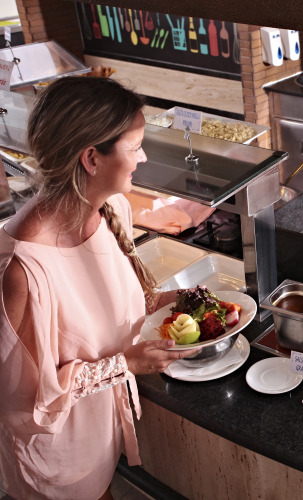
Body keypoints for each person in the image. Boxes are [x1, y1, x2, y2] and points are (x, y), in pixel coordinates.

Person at [0, 77, 199, 500]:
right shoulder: (25, 270)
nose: (143, 157)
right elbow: (25, 403)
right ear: (92, 158)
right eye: (135, 147)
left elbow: (108, 308)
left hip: (100, 427)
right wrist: (126, 363)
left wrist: (169, 303)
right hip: (56, 455)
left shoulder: (114, 208)